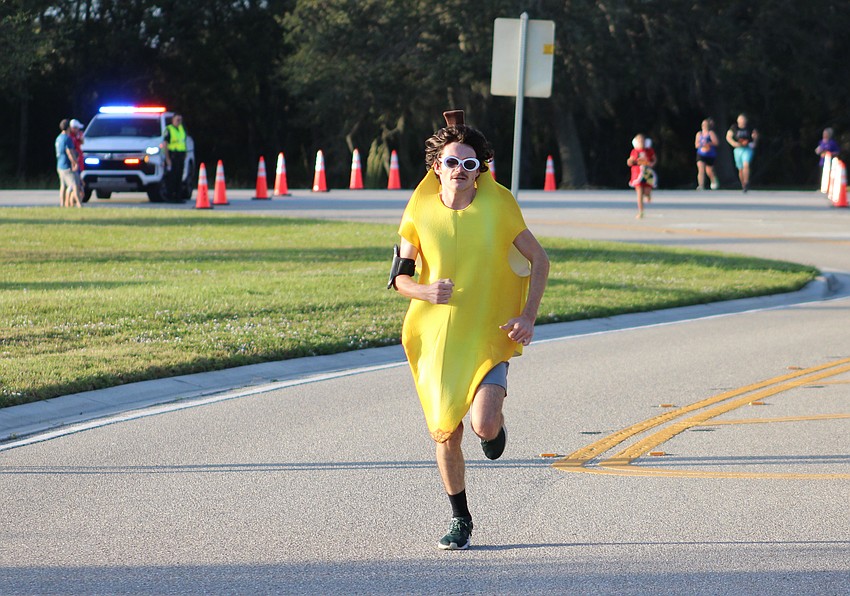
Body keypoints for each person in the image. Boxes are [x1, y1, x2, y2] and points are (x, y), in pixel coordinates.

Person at [390, 110, 549, 551]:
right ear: (435, 166)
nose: (460, 170)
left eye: (470, 163)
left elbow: (540, 260)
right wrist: (425, 291)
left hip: (489, 332)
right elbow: (399, 278)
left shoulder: (499, 205)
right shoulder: (419, 209)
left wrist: (528, 316)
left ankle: (494, 430)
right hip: (436, 339)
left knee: (481, 425)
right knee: (445, 430)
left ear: (481, 169)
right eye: (451, 162)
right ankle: (460, 518)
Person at [725, 113, 758, 192]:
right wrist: (734, 143)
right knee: (740, 168)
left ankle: (746, 182)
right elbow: (728, 137)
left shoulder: (749, 128)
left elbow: (755, 135)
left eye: (743, 119)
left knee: (746, 164)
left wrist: (754, 141)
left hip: (747, 149)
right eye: (740, 119)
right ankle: (743, 184)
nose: (742, 121)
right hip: (738, 149)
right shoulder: (734, 127)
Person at [627, 133, 657, 219]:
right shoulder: (634, 152)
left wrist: (652, 163)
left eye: (643, 141)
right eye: (639, 141)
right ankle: (641, 211)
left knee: (647, 191)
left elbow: (654, 159)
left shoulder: (649, 150)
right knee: (639, 193)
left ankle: (648, 195)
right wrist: (629, 161)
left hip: (647, 174)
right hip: (637, 175)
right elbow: (631, 160)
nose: (641, 142)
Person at [54, 119, 80, 208]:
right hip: (66, 166)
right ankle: (79, 205)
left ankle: (62, 204)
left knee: (63, 186)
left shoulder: (58, 138)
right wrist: (75, 162)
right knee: (74, 185)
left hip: (59, 165)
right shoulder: (67, 138)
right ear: (69, 127)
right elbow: (69, 152)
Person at [162, 113, 187, 202]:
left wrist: (185, 154)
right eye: (177, 120)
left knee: (179, 177)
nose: (179, 121)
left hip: (181, 155)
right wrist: (168, 159)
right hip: (173, 155)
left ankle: (178, 197)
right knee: (172, 177)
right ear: (173, 120)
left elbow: (183, 142)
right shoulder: (169, 129)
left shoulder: (182, 129)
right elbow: (165, 144)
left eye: (180, 120)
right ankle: (170, 196)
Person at [695, 118, 719, 190]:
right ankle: (701, 185)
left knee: (709, 170)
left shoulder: (711, 133)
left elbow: (716, 142)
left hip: (710, 154)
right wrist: (701, 144)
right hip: (701, 153)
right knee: (701, 168)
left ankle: (714, 181)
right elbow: (696, 144)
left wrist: (708, 143)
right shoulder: (699, 134)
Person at [69, 119, 86, 203]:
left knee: (79, 186)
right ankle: (71, 204)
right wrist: (74, 163)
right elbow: (70, 152)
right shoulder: (70, 138)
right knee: (75, 187)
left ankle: (72, 205)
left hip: (79, 164)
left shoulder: (77, 136)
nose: (78, 130)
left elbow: (83, 142)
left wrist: (80, 137)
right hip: (75, 165)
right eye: (77, 128)